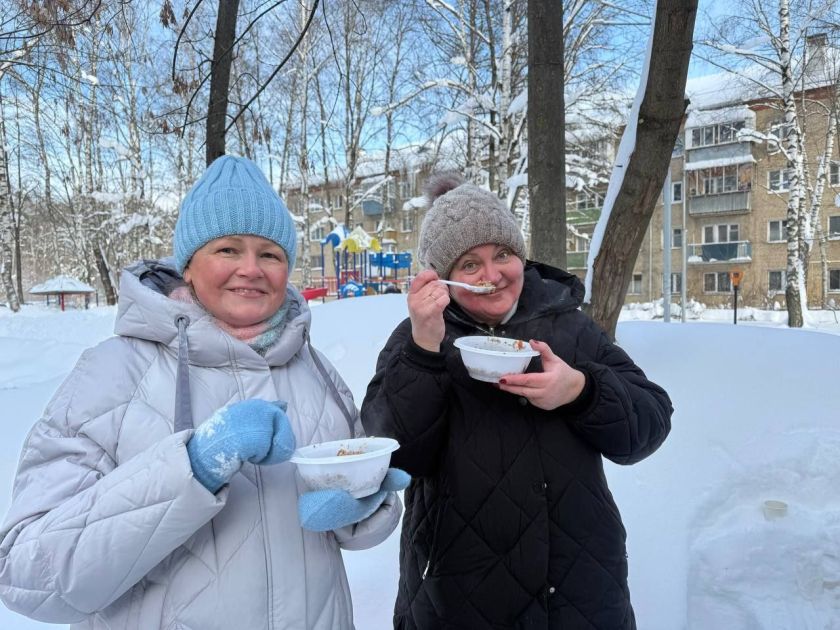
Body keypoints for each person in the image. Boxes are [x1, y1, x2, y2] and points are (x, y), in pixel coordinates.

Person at [0, 155, 403, 630]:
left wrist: (366, 507)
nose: (251, 269)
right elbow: (28, 573)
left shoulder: (316, 370)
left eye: (270, 254)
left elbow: (346, 515)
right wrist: (189, 468)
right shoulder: (112, 373)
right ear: (188, 266)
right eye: (228, 250)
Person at [361, 172, 673, 629]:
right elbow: (393, 455)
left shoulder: (569, 327)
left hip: (577, 589)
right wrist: (424, 351)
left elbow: (650, 424)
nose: (492, 275)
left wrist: (581, 391)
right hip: (459, 597)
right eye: (470, 264)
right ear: (444, 278)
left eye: (502, 254)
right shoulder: (419, 338)